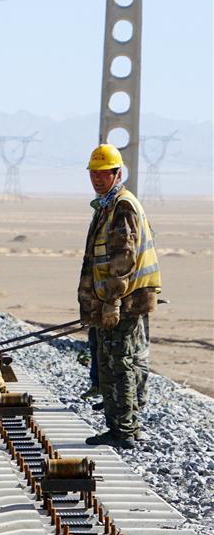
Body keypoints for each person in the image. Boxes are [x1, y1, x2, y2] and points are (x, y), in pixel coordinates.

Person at [78, 144, 161, 449]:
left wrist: (112, 300)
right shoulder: (110, 204)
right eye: (94, 174)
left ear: (117, 173)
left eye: (103, 173)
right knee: (120, 359)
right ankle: (128, 423)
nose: (97, 179)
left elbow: (122, 257)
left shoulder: (121, 206)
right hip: (123, 298)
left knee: (118, 361)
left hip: (123, 301)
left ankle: (123, 429)